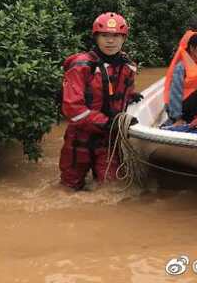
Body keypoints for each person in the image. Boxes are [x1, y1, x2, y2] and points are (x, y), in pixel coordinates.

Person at [59, 12, 142, 190]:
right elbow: (72, 108)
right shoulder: (81, 66)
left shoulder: (127, 67)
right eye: (105, 35)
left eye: (115, 36)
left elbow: (118, 92)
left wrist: (131, 95)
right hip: (79, 139)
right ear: (96, 37)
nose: (110, 41)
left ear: (123, 38)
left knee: (111, 188)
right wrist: (106, 123)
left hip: (108, 140)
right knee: (69, 188)